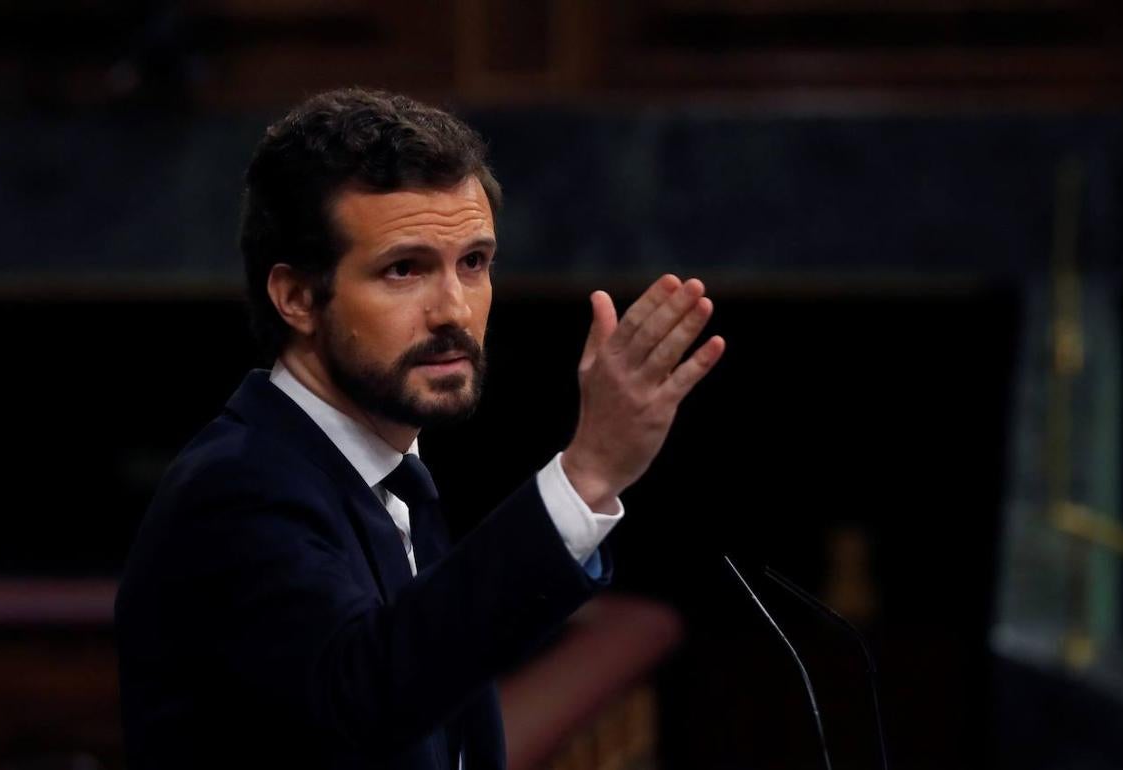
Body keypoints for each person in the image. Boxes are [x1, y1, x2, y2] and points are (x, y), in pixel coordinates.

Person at [114, 88, 725, 770]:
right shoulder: (237, 486)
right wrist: (586, 475)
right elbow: (367, 693)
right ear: (295, 297)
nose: (454, 311)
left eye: (474, 263)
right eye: (404, 269)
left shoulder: (388, 480)